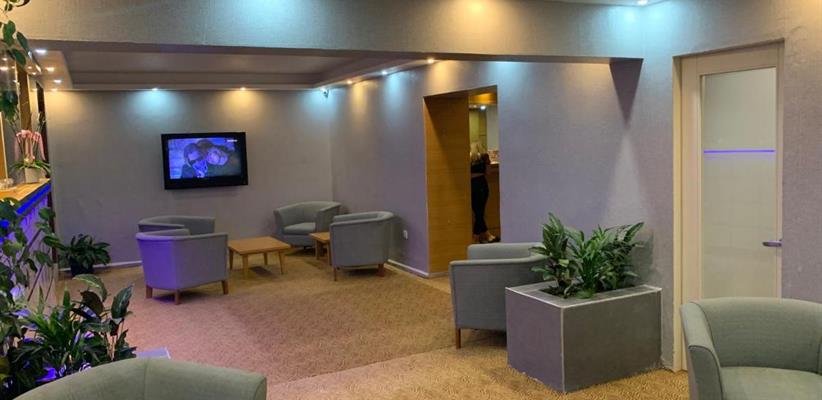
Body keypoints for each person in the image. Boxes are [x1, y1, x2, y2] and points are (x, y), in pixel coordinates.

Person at [470, 142, 498, 243]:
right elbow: (488, 172)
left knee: (478, 212)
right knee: (480, 212)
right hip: (482, 185)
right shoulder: (484, 157)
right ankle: (476, 237)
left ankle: (487, 235)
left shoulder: (469, 158)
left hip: (471, 186)